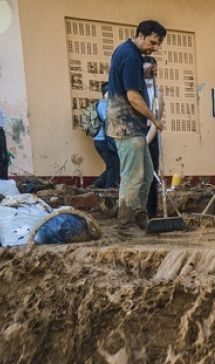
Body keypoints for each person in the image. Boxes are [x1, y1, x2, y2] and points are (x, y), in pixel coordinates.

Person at [107, 20, 166, 227]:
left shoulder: (129, 53)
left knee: (147, 173)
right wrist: (154, 119)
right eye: (153, 42)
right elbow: (133, 96)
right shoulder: (130, 56)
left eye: (158, 44)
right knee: (133, 176)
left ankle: (140, 217)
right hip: (125, 123)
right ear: (141, 35)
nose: (155, 48)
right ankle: (126, 224)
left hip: (133, 125)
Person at [142, 56, 164, 217]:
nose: (150, 72)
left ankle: (152, 214)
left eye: (152, 69)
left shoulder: (157, 93)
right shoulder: (134, 90)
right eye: (147, 69)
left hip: (150, 135)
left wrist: (146, 141)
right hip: (135, 133)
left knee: (151, 177)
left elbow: (157, 119)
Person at [90, 84, 119, 189]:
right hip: (103, 141)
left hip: (102, 140)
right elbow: (107, 119)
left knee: (114, 165)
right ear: (106, 93)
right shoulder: (103, 104)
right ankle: (108, 189)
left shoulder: (103, 104)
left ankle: (97, 185)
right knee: (114, 165)